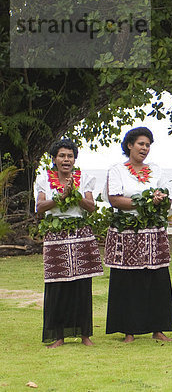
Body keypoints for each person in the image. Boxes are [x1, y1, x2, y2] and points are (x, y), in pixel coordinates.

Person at [104, 127, 172, 343]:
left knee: (157, 280)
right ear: (129, 145)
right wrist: (144, 202)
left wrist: (161, 198)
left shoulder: (155, 170)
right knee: (129, 281)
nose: (145, 148)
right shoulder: (117, 170)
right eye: (141, 144)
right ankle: (129, 331)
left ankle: (158, 329)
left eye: (148, 145)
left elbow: (164, 195)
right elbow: (114, 199)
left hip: (153, 233)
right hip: (127, 233)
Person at [35, 139, 103, 348]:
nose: (66, 160)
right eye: (62, 156)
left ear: (74, 159)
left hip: (81, 235)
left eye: (70, 156)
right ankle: (58, 336)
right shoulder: (43, 179)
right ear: (54, 159)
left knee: (82, 285)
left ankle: (84, 335)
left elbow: (91, 207)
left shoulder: (85, 179)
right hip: (56, 236)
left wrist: (74, 195)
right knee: (57, 285)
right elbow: (39, 207)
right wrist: (61, 197)